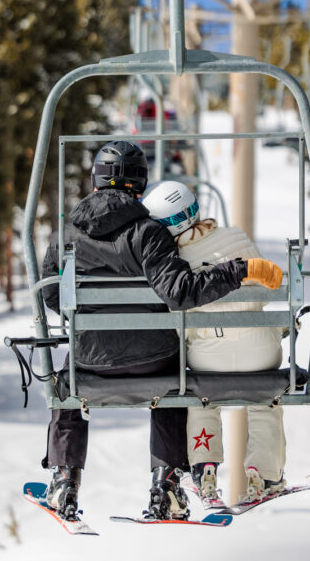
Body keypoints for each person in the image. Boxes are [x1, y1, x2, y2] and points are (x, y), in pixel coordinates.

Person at [39, 141, 282, 522]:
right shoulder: (150, 233)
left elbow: (51, 296)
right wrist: (237, 270)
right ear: (141, 183)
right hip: (153, 363)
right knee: (176, 378)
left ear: (96, 179)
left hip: (91, 363)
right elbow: (181, 291)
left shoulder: (64, 233)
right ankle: (167, 487)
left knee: (65, 382)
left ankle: (64, 479)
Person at [144, 179, 288, 506]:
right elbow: (267, 292)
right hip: (260, 353)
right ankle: (264, 475)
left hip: (208, 357)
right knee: (266, 402)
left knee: (203, 400)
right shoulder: (237, 237)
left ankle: (204, 469)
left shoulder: (171, 261)